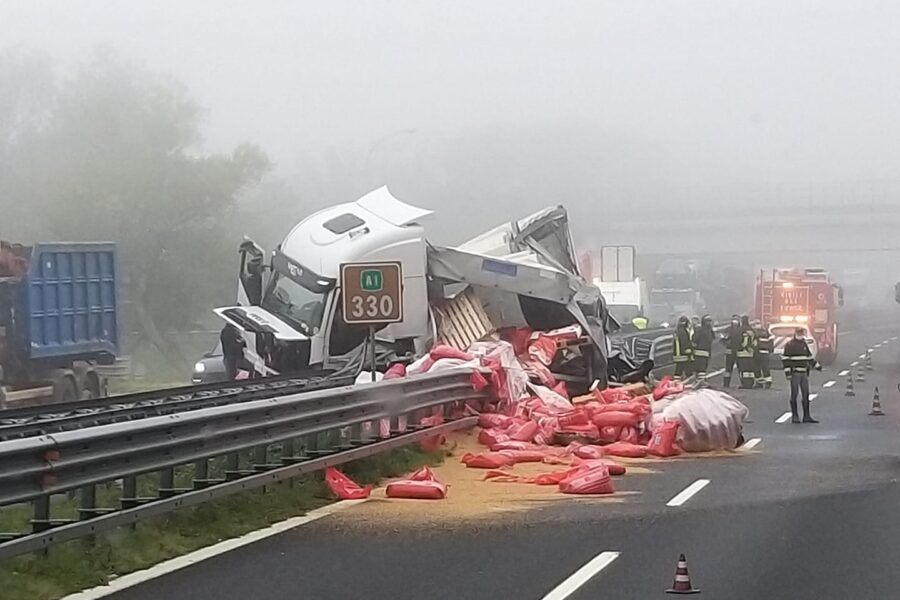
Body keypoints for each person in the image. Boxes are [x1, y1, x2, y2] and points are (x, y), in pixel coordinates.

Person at [781, 327, 821, 423]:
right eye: (799, 333)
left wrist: (817, 366)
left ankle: (806, 416)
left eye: (802, 333)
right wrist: (788, 373)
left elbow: (809, 357)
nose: (801, 335)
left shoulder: (804, 344)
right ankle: (795, 416)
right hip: (795, 373)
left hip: (804, 373)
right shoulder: (790, 345)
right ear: (795, 333)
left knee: (805, 394)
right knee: (794, 394)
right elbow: (786, 360)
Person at [721, 314, 741, 388]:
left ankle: (743, 383)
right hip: (729, 352)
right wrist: (727, 343)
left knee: (740, 368)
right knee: (728, 369)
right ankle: (726, 383)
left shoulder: (741, 329)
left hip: (738, 352)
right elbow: (722, 338)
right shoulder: (728, 329)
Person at [736, 315, 756, 389]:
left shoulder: (740, 330)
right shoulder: (752, 330)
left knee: (743, 370)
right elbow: (755, 342)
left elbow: (738, 341)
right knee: (750, 370)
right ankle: (750, 383)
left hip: (742, 353)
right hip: (750, 353)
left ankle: (744, 384)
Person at [692, 314, 714, 379]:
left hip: (698, 353)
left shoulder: (700, 330)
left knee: (699, 370)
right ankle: (701, 381)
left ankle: (699, 382)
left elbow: (694, 339)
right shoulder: (710, 331)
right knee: (702, 370)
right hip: (706, 353)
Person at [753, 320, 773, 389]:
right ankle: (764, 382)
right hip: (762, 353)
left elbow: (754, 344)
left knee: (761, 368)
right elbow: (771, 342)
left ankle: (764, 382)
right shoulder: (766, 332)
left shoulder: (755, 333)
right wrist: (771, 351)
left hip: (760, 353)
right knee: (759, 368)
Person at [672, 315, 694, 379]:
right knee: (688, 370)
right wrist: (688, 350)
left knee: (679, 370)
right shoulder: (683, 331)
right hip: (683, 355)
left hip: (678, 354)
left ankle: (676, 382)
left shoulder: (677, 330)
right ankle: (690, 381)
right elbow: (684, 341)